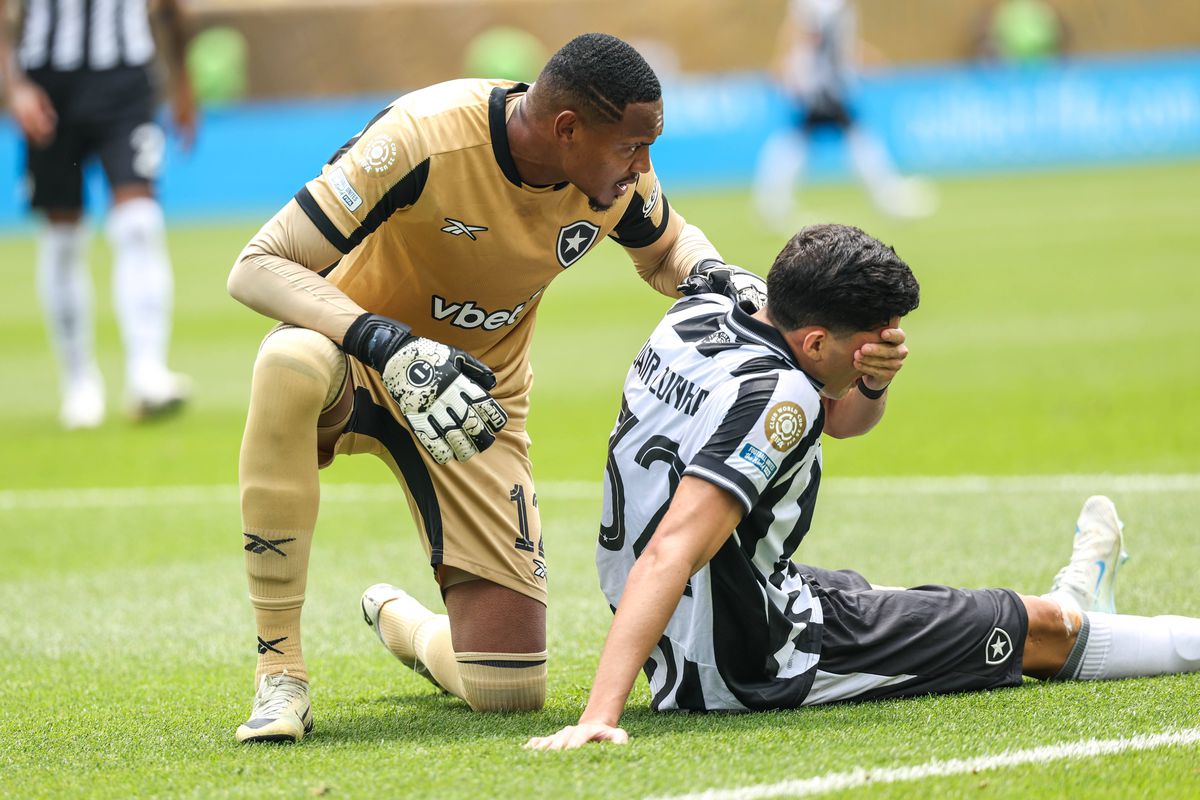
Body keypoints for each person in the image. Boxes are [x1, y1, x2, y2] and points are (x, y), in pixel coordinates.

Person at [225, 32, 790, 744]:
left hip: (474, 407)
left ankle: (410, 627)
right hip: (358, 361)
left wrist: (717, 273)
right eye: (632, 147)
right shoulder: (423, 137)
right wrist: (385, 343)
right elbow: (258, 265)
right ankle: (281, 676)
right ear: (567, 129)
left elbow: (668, 248)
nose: (644, 167)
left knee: (509, 690)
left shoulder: (614, 180)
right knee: (290, 362)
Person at [525, 223, 1200, 750]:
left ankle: (1084, 604)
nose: (884, 350)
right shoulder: (781, 394)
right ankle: (1077, 608)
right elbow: (674, 548)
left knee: (880, 597)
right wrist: (599, 715)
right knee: (1040, 632)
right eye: (867, 348)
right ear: (815, 342)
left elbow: (844, 418)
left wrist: (871, 379)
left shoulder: (708, 309)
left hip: (703, 613)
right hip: (751, 657)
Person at [0, 0, 196, 428]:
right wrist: (12, 87)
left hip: (124, 77)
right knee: (63, 237)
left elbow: (173, 9)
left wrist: (183, 80)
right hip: (48, 81)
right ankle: (78, 384)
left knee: (139, 224)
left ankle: (147, 373)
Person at [752, 0, 934, 228]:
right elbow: (810, 37)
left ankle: (772, 204)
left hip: (821, 83)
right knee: (847, 136)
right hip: (822, 85)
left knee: (808, 138)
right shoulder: (823, 5)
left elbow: (824, 39)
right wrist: (803, 72)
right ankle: (888, 197)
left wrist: (860, 56)